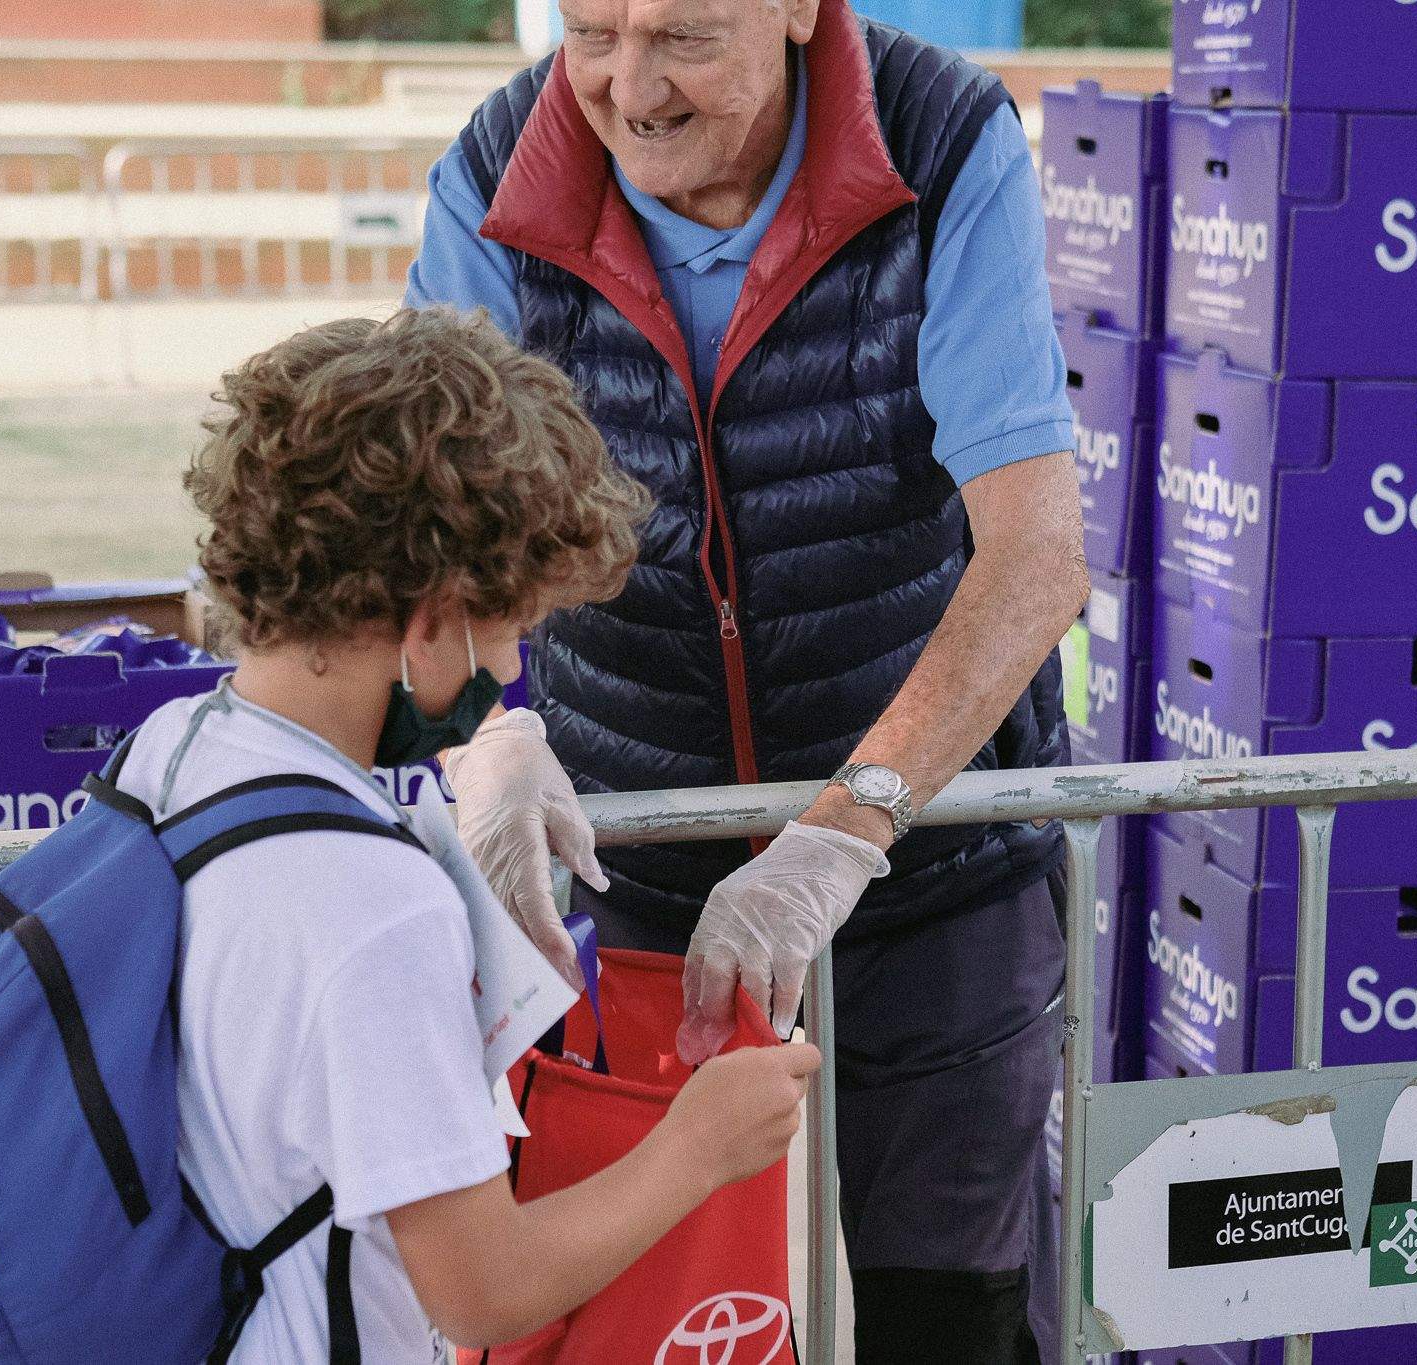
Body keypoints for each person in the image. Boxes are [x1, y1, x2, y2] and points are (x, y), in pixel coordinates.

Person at [409, 1, 1090, 1359]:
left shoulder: (944, 140)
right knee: (651, 1326)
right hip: (626, 877)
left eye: (683, 37)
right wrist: (488, 731)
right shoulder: (496, 167)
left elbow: (1035, 555)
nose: (627, 86)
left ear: (797, 11)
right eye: (592, 28)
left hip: (928, 864)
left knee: (951, 1316)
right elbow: (434, 535)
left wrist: (843, 830)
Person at [118, 307, 820, 1361]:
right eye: (511, 630)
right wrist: (698, 1146)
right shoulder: (373, 903)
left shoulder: (175, 752)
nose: (506, 673)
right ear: (435, 615)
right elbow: (484, 1294)